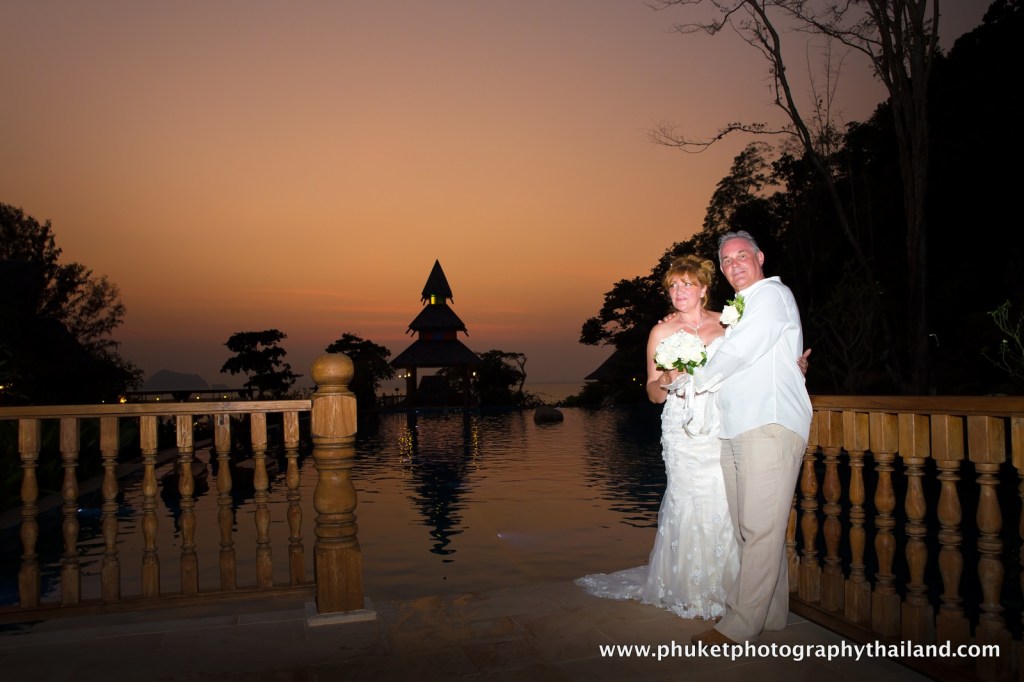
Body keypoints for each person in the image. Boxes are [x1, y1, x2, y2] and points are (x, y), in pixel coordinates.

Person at [576, 255, 738, 620]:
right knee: (687, 499)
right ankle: (688, 588)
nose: (679, 291)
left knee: (723, 500)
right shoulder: (661, 332)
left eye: (687, 284)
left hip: (721, 423)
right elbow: (652, 392)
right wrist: (665, 380)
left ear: (704, 288)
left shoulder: (728, 324)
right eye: (673, 286)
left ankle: (727, 586)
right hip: (680, 426)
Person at [686, 230, 812, 646]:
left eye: (742, 255)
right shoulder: (740, 308)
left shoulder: (771, 296)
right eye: (726, 260)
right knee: (752, 528)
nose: (734, 264)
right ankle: (772, 613)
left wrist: (691, 381)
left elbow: (738, 352)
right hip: (737, 425)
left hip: (768, 423)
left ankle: (741, 625)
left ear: (760, 257)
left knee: (758, 527)